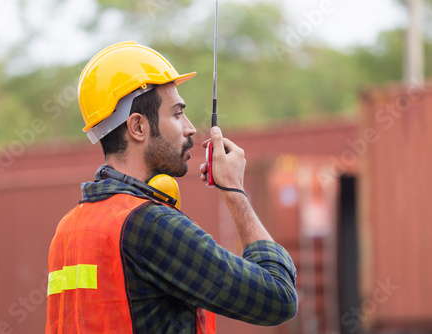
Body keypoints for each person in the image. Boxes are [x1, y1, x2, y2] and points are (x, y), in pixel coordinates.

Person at [46, 41, 297, 333]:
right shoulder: (150, 225)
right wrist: (234, 191)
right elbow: (278, 297)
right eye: (177, 114)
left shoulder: (69, 228)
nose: (190, 128)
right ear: (138, 127)